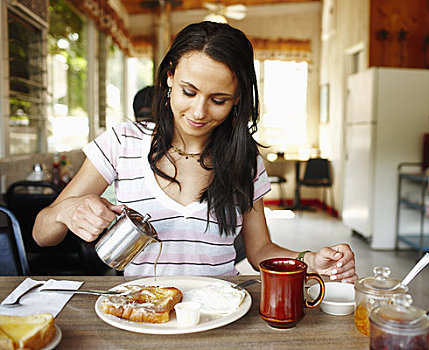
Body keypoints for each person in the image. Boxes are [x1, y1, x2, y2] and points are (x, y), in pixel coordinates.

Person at [33, 21, 358, 282]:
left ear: (238, 100)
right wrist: (66, 211)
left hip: (221, 312)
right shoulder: (123, 143)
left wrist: (309, 260)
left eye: (219, 100)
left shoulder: (244, 160)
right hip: (144, 313)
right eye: (189, 92)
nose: (199, 112)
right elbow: (41, 233)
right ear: (170, 76)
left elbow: (260, 250)